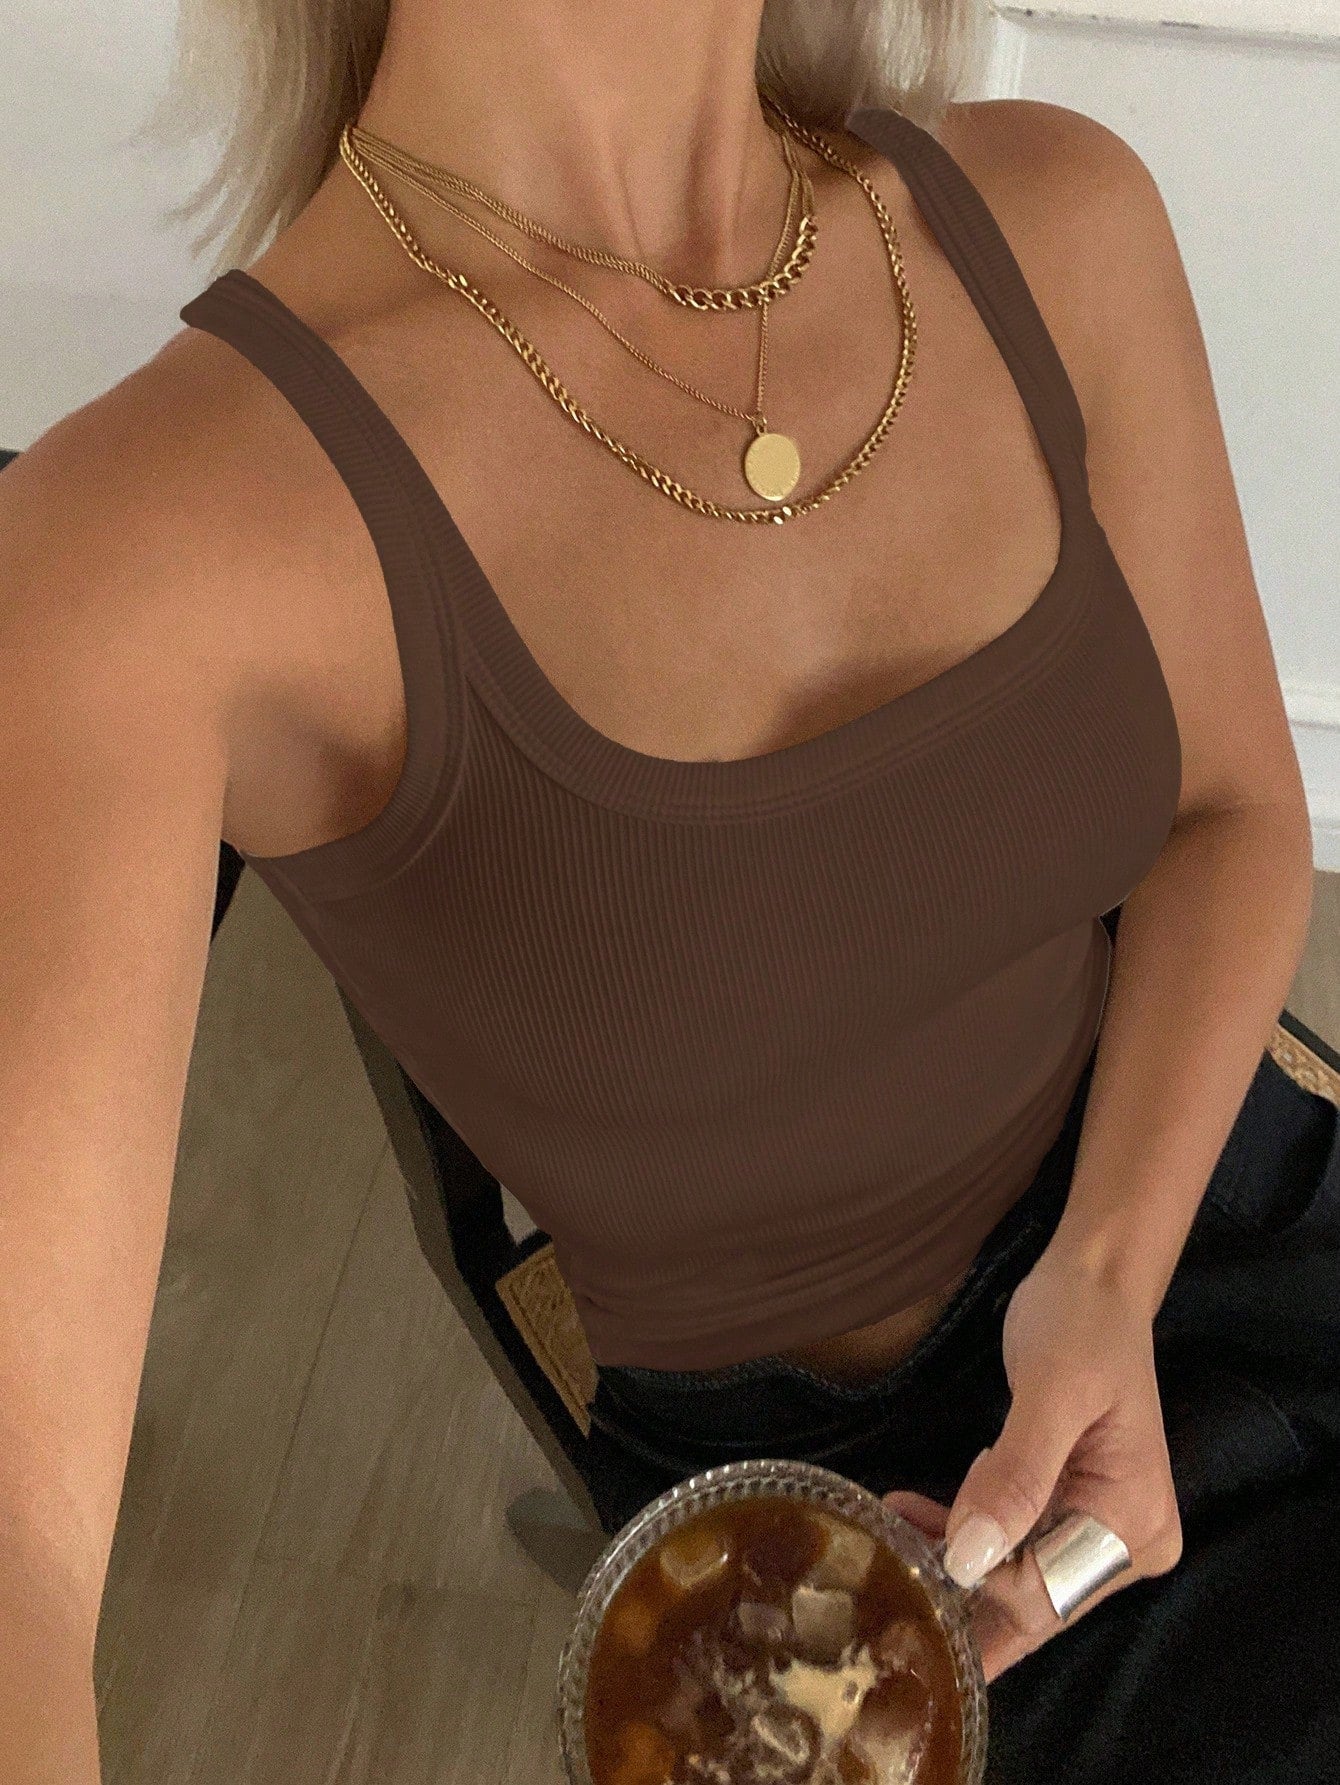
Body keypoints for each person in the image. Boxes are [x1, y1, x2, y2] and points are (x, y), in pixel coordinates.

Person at [2, 0, 1336, 1779]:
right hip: (855, 1533)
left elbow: (1230, 814)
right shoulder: (145, 545)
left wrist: (1106, 1267)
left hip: (1221, 1186)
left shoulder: (1057, 216)